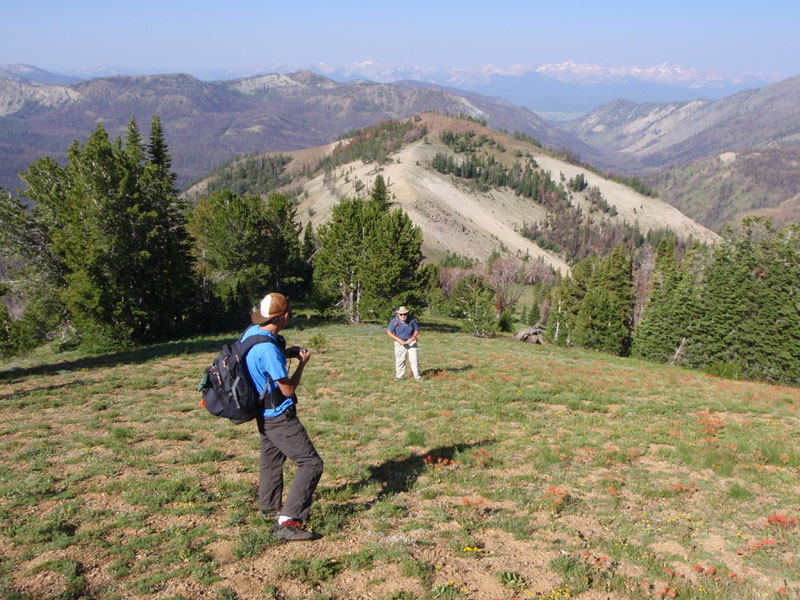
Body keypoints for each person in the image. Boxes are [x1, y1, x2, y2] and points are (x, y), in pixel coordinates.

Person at [241, 292, 323, 541]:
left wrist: (285, 353)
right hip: (278, 415)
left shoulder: (251, 334)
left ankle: (269, 507)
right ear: (285, 316)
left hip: (261, 412)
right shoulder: (268, 349)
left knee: (271, 459)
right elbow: (287, 389)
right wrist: (302, 364)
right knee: (311, 464)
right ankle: (288, 522)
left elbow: (261, 360)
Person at [387, 306, 421, 381]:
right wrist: (398, 340)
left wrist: (412, 338)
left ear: (407, 313)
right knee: (400, 360)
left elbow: (417, 330)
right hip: (399, 343)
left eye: (405, 314)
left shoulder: (412, 320)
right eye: (401, 314)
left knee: (414, 360)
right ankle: (399, 376)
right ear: (398, 314)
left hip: (411, 342)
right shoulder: (394, 321)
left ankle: (417, 377)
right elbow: (389, 332)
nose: (403, 316)